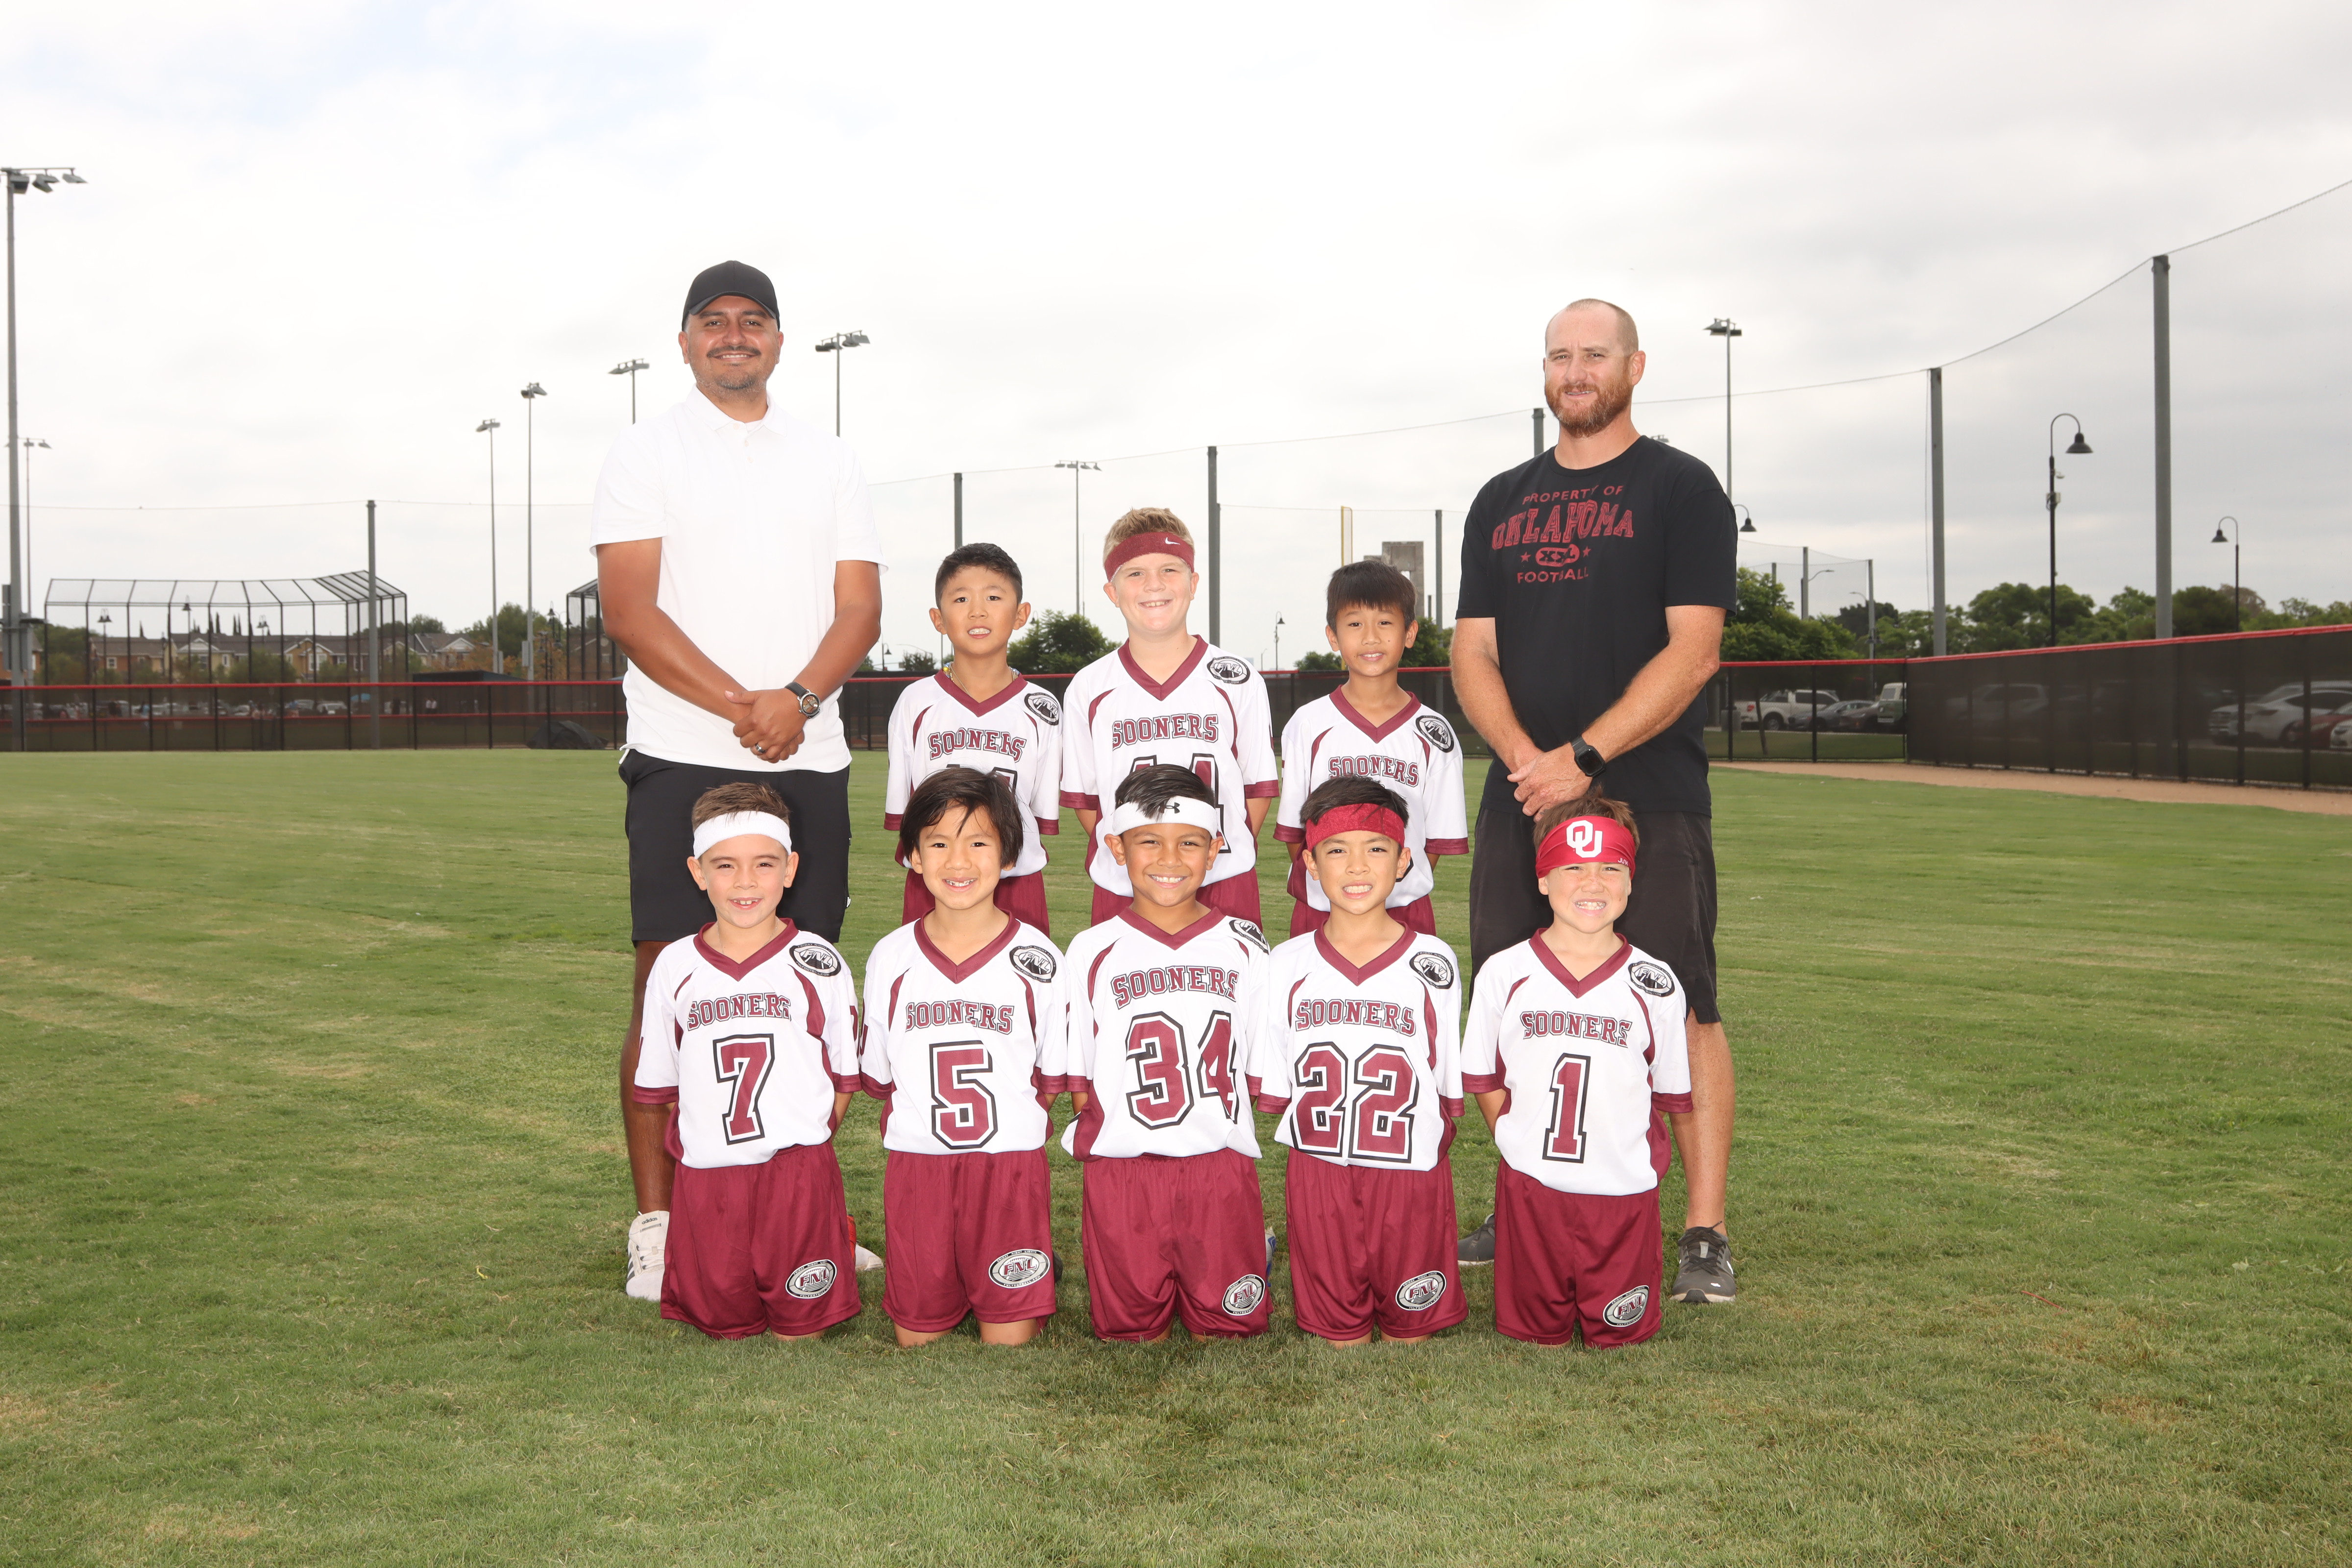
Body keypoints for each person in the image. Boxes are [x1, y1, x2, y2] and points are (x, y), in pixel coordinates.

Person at [591, 260, 886, 1302]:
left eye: (752, 320)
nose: (732, 334)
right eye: (711, 321)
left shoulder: (829, 457)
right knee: (666, 989)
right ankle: (660, 1224)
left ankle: (803, 1216)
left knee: (804, 988)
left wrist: (796, 701)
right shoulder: (645, 450)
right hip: (684, 749)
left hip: (807, 750)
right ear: (684, 342)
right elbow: (630, 610)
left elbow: (860, 610)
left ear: (778, 341)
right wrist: (743, 707)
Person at [1450, 297, 1739, 1306]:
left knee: (1681, 1002)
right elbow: (1472, 652)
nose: (1575, 372)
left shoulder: (1680, 487)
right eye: (1560, 356)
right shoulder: (1501, 499)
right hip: (1523, 794)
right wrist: (1529, 760)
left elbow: (1694, 651)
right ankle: (1527, 1199)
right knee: (1515, 1004)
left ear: (1636, 367)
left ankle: (1704, 1231)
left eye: (1594, 355)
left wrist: (1585, 756)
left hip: (1648, 792)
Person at [628, 783, 865, 1340]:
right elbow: (662, 1087)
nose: (745, 882)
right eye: (725, 865)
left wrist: (804, 1141)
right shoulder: (675, 966)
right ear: (697, 872)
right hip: (709, 1178)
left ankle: (831, 1239)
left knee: (799, 1330)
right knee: (723, 1325)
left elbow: (843, 1077)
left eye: (764, 864)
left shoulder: (819, 962)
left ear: (790, 868)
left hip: (796, 1173)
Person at [1458, 800, 1696, 1348]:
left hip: (1623, 1193)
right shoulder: (1505, 972)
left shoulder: (1656, 982)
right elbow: (1485, 1079)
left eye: (1611, 867)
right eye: (1573, 867)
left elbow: (1664, 1096)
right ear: (1542, 878)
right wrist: (1517, 1142)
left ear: (1632, 880)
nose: (1593, 883)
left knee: (1621, 1334)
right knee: (1533, 1333)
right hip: (1531, 1189)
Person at [1250, 777, 1467, 1346]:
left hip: (1409, 1167)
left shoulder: (1433, 960)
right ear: (1310, 863)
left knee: (1410, 1334)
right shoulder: (1285, 963)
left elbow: (1444, 1081)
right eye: (1336, 850)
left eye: (1376, 848)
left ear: (1404, 860)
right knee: (1338, 1336)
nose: (1357, 866)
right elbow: (1277, 1079)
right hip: (1319, 1167)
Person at [1058, 765, 1272, 1341]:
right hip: (1124, 1169)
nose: (1169, 858)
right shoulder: (1091, 949)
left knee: (1228, 1331)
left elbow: (1256, 1066)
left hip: (1219, 1165)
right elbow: (1080, 1072)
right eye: (1149, 841)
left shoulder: (1246, 946)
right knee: (1132, 1332)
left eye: (1190, 843)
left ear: (1216, 848)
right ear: (1117, 847)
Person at [859, 768, 1066, 1348]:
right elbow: (881, 1075)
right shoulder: (891, 957)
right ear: (913, 857)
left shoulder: (1039, 958)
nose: (958, 860)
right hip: (918, 1168)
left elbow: (1050, 1078)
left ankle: (1026, 1267)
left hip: (1008, 1168)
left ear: (1009, 855)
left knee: (1008, 1340)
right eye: (938, 842)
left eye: (978, 842)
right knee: (916, 1337)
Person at [1059, 510, 1280, 929]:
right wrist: (1141, 855)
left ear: (1193, 583)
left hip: (1221, 878)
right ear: (1112, 592)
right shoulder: (1089, 687)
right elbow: (1088, 803)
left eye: (1169, 570)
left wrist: (1207, 856)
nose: (1154, 585)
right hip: (1126, 884)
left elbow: (1255, 792)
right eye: (1135, 574)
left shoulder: (1237, 678)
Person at [1273, 560, 1469, 941]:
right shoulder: (1307, 724)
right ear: (1333, 637)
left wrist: (1389, 885)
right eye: (1354, 624)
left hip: (1403, 910)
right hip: (1323, 910)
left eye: (1384, 622)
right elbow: (1297, 836)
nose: (1370, 637)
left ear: (1409, 633)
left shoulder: (1435, 733)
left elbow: (1434, 844)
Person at [882, 544, 1061, 934]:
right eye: (961, 599)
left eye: (993, 598)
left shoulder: (1042, 708)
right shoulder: (916, 702)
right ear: (938, 619)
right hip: (936, 879)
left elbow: (1038, 813)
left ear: (1021, 614)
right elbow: (907, 814)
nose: (978, 611)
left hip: (1016, 875)